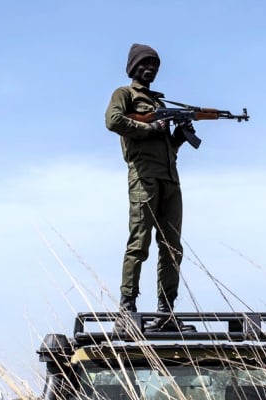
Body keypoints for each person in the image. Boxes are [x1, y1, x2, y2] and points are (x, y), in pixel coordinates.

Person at [105, 43, 194, 332]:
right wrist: (151, 127)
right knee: (139, 242)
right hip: (143, 178)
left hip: (170, 180)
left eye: (154, 65)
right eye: (145, 64)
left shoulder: (160, 104)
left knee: (172, 248)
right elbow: (113, 120)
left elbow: (167, 148)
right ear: (133, 67)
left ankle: (166, 312)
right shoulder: (125, 94)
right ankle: (127, 306)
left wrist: (178, 137)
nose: (150, 69)